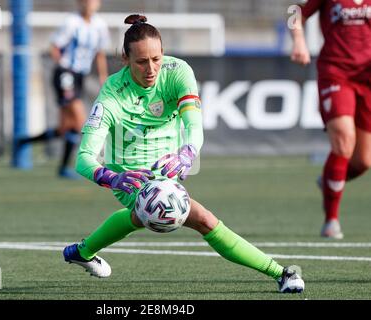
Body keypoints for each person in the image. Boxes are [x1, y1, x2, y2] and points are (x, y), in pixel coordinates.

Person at [62, 14, 305, 293]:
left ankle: (82, 251)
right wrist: (112, 178)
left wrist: (189, 152)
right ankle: (280, 273)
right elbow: (84, 159)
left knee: (139, 217)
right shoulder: (111, 96)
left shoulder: (178, 71)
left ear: (163, 53)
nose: (151, 68)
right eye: (141, 61)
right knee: (203, 220)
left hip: (168, 166)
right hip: (130, 176)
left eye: (156, 58)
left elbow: (193, 125)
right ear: (125, 59)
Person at [290, 0, 371, 239]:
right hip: (336, 73)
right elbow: (294, 11)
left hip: (367, 77)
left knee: (363, 162)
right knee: (344, 141)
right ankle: (331, 221)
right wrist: (299, 41)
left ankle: (329, 180)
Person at [17, 0, 109, 179]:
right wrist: (62, 67)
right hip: (66, 74)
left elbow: (100, 53)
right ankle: (97, 163)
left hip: (80, 76)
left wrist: (103, 77)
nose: (89, 3)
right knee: (82, 120)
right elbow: (54, 47)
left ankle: (25, 142)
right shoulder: (71, 22)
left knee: (65, 128)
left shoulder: (100, 25)